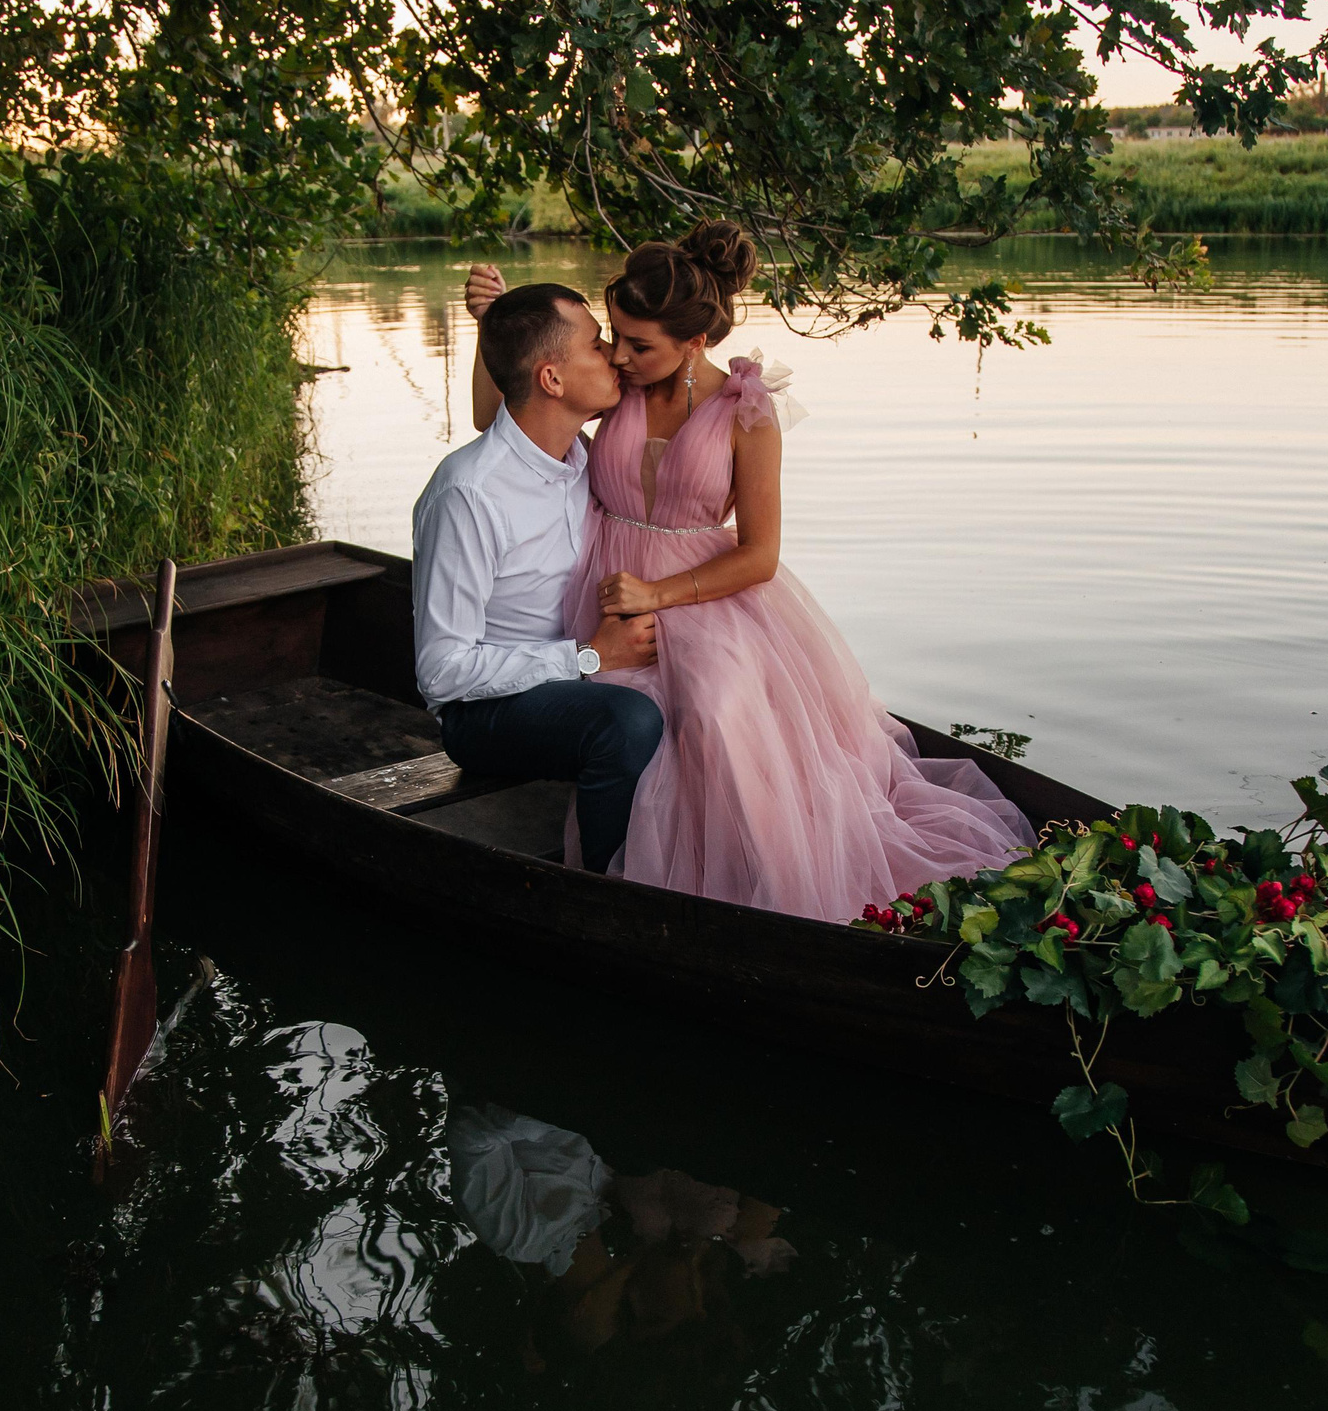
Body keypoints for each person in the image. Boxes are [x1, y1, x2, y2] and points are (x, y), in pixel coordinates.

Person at [462, 224, 1030, 921]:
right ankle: (626, 887)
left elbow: (760, 554)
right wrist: (493, 330)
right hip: (607, 596)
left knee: (716, 711)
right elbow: (505, 417)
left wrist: (658, 595)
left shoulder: (748, 411)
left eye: (640, 343)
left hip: (707, 599)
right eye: (614, 335)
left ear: (695, 342)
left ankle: (755, 894)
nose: (621, 355)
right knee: (627, 718)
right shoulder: (617, 387)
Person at [411, 282, 665, 874]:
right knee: (628, 723)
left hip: (580, 669)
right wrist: (587, 658)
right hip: (485, 712)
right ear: (552, 379)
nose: (615, 357)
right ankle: (605, 891)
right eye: (599, 345)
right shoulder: (469, 494)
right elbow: (441, 670)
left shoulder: (584, 458)